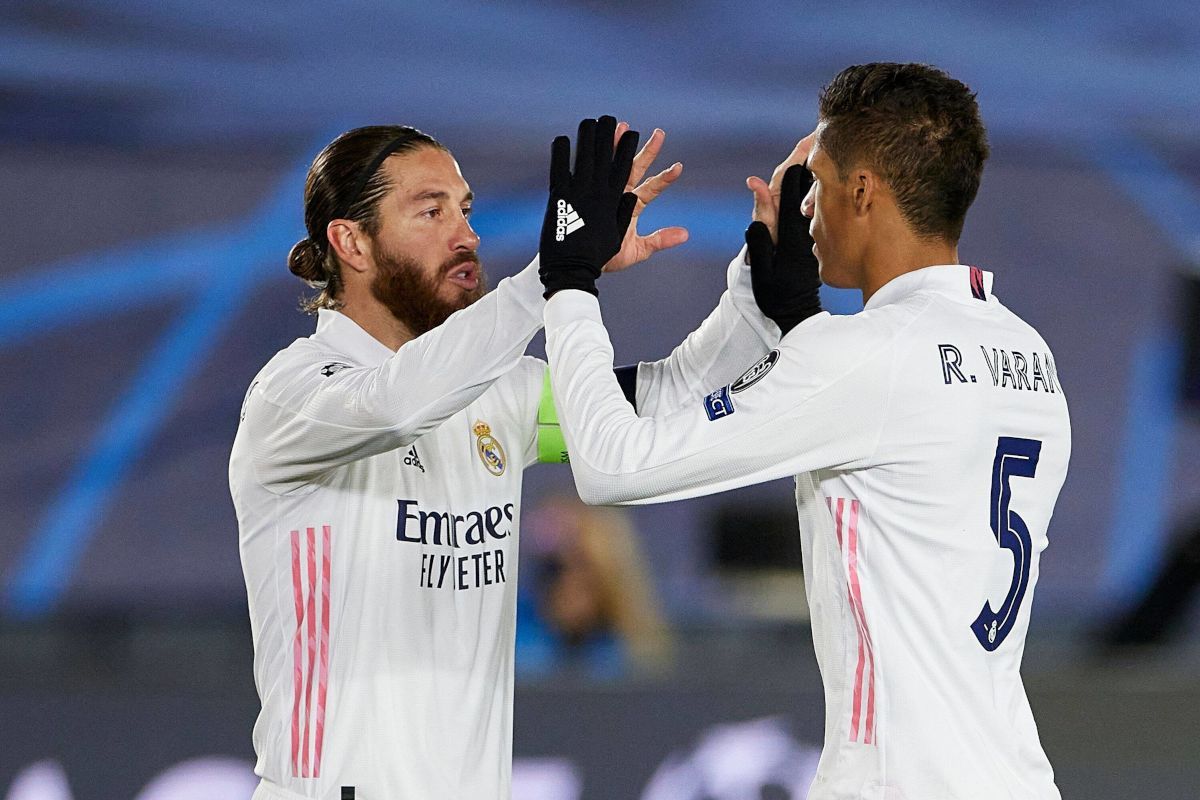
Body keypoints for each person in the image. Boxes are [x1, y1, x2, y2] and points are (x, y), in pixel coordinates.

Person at [541, 63, 1071, 799]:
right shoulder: (1028, 354)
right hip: (1012, 775)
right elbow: (881, 422)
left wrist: (568, 281)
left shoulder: (860, 360)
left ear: (862, 192)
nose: (804, 205)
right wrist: (772, 308)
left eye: (814, 182)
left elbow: (612, 464)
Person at [228, 118, 779, 799]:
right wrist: (554, 274)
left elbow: (663, 400)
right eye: (430, 211)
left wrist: (757, 296)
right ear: (351, 242)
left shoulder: (496, 394)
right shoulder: (293, 397)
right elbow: (398, 404)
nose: (466, 235)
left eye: (465, 209)